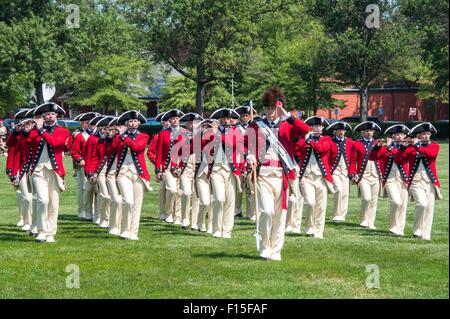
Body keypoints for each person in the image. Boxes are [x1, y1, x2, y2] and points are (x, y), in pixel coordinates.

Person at [247, 87, 310, 260]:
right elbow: (246, 143)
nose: (269, 112)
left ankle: (276, 250)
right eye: (267, 108)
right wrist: (250, 154)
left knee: (279, 215)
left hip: (281, 174)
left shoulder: (288, 125)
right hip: (263, 173)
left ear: (278, 107)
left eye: (272, 108)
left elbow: (305, 130)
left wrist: (288, 115)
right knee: (266, 212)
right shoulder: (256, 125)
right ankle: (264, 247)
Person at [28, 102, 71, 243]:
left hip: (55, 171)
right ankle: (41, 231)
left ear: (56, 115)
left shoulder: (63, 131)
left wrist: (41, 131)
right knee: (42, 200)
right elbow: (26, 144)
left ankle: (50, 232)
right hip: (38, 170)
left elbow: (55, 143)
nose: (50, 116)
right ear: (42, 116)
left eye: (52, 114)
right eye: (47, 114)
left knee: (53, 203)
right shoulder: (34, 131)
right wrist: (21, 131)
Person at [115, 110, 152, 240]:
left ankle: (133, 232)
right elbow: (111, 150)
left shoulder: (144, 136)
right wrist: (112, 137)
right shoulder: (119, 136)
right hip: (123, 172)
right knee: (128, 201)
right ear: (126, 123)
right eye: (130, 121)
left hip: (139, 173)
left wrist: (124, 137)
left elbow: (137, 147)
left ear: (139, 123)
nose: (133, 123)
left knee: (137, 204)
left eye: (135, 121)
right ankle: (124, 230)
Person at [296, 116, 334, 239]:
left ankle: (318, 231)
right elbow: (295, 149)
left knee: (321, 205)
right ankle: (309, 228)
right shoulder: (304, 139)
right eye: (316, 126)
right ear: (310, 128)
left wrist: (309, 141)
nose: (319, 128)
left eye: (320, 126)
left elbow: (321, 149)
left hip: (321, 177)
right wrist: (303, 138)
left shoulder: (326, 139)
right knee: (310, 203)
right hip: (306, 176)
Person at [403, 122, 442, 240]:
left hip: (430, 181)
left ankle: (426, 235)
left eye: (428, 134)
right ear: (418, 136)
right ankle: (417, 231)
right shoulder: (411, 147)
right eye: (423, 134)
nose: (426, 136)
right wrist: (405, 146)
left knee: (429, 208)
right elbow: (401, 158)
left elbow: (431, 154)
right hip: (415, 181)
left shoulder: (434, 145)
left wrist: (416, 146)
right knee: (422, 204)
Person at [370, 124, 410, 236]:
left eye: (401, 134)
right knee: (396, 202)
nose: (399, 137)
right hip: (390, 179)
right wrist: (378, 146)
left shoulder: (407, 147)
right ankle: (393, 226)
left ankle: (400, 229)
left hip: (403, 179)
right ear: (392, 136)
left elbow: (401, 158)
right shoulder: (387, 147)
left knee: (403, 205)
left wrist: (408, 146)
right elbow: (373, 157)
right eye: (397, 135)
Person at [208, 108, 243, 239]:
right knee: (218, 199)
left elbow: (231, 143)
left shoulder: (236, 131)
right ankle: (216, 228)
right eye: (222, 119)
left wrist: (217, 134)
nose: (225, 121)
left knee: (230, 201)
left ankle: (227, 230)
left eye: (228, 119)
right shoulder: (211, 131)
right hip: (216, 169)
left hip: (231, 169)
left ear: (231, 120)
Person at [155, 109, 185, 225]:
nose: (175, 120)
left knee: (179, 192)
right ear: (169, 120)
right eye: (173, 119)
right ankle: (168, 213)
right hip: (167, 166)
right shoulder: (163, 133)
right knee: (171, 190)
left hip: (182, 164)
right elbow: (159, 153)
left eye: (177, 119)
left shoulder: (184, 132)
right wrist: (158, 169)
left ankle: (177, 216)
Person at [349, 121, 382, 230]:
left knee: (374, 200)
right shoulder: (357, 144)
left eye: (371, 131)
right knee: (366, 198)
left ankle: (371, 222)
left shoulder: (378, 143)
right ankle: (363, 219)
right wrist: (353, 173)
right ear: (362, 133)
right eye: (367, 131)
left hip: (376, 175)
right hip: (363, 175)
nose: (369, 133)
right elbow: (352, 161)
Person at [71, 112, 100, 220]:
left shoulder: (101, 134)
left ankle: (98, 213)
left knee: (99, 190)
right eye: (89, 123)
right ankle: (85, 211)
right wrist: (80, 159)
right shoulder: (80, 136)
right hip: (84, 166)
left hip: (98, 166)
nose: (92, 125)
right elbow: (74, 151)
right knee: (86, 189)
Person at [327, 121, 354, 222]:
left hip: (345, 171)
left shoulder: (349, 142)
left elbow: (352, 158)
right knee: (338, 190)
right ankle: (336, 214)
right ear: (335, 132)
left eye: (343, 130)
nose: (342, 132)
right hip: (334, 171)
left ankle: (342, 215)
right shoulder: (331, 141)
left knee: (345, 193)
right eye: (340, 130)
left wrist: (352, 171)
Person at [234, 105, 256, 220]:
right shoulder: (235, 128)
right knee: (239, 187)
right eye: (243, 116)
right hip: (239, 159)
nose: (245, 118)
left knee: (251, 187)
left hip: (250, 160)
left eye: (247, 116)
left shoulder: (254, 128)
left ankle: (251, 213)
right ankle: (237, 210)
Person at [147, 112, 170, 221]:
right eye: (165, 121)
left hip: (172, 166)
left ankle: (172, 213)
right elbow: (150, 152)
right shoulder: (157, 136)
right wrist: (158, 164)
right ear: (162, 123)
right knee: (163, 190)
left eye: (168, 120)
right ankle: (162, 212)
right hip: (162, 167)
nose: (167, 123)